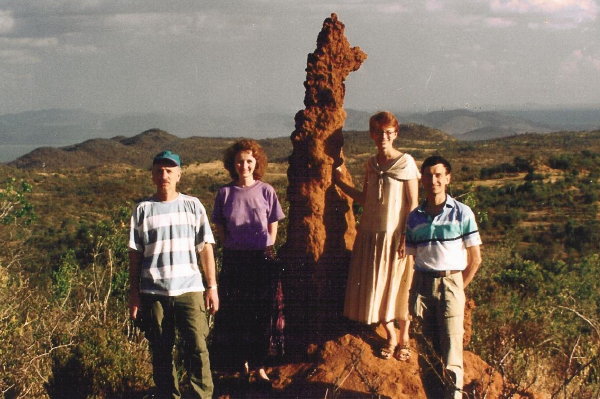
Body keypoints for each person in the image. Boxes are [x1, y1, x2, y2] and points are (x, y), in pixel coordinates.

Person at [128, 150, 219, 399]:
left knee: (198, 348)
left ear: (179, 174)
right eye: (160, 170)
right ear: (153, 175)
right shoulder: (143, 210)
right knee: (160, 350)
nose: (164, 175)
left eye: (170, 171)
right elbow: (135, 255)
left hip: (190, 290)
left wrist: (212, 287)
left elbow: (206, 249)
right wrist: (133, 293)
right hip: (153, 292)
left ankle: (202, 395)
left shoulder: (193, 206)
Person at [334, 111, 419, 361]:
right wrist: (338, 182)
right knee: (379, 287)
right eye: (378, 132)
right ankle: (390, 336)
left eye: (388, 132)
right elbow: (365, 198)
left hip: (396, 237)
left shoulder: (406, 163)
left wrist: (406, 236)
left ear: (395, 134)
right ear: (372, 134)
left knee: (398, 287)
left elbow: (413, 204)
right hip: (371, 236)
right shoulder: (371, 164)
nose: (383, 137)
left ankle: (404, 339)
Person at [406, 155, 482, 399]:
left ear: (447, 178)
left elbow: (475, 259)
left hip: (451, 283)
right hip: (422, 285)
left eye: (439, 175)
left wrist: (458, 287)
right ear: (422, 179)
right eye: (428, 175)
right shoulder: (414, 216)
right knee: (427, 354)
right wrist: (410, 291)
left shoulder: (462, 213)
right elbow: (409, 257)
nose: (433, 180)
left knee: (451, 354)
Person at [212, 139, 285, 383]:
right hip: (235, 260)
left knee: (262, 314)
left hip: (262, 258)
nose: (245, 166)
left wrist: (266, 247)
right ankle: (240, 362)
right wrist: (231, 246)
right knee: (236, 314)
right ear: (233, 164)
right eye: (240, 161)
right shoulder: (224, 193)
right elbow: (220, 227)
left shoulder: (266, 191)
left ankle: (260, 364)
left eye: (249, 161)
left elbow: (273, 224)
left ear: (257, 163)